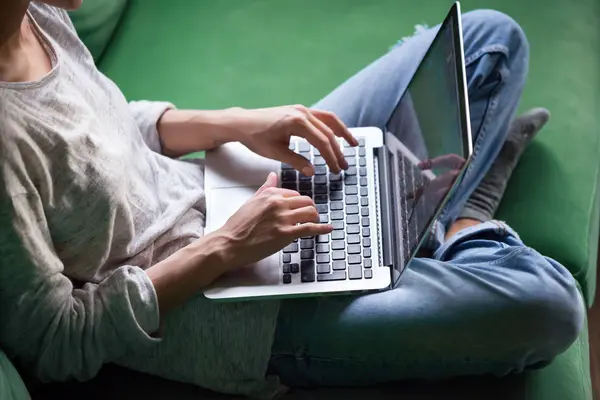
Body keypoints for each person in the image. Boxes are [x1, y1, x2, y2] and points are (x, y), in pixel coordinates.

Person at [0, 1, 584, 399]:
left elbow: (107, 132)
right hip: (224, 311)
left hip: (236, 190)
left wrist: (240, 124)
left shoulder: (40, 13)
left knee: (489, 41)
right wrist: (228, 246)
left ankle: (420, 220)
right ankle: (462, 222)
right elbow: (55, 339)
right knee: (553, 305)